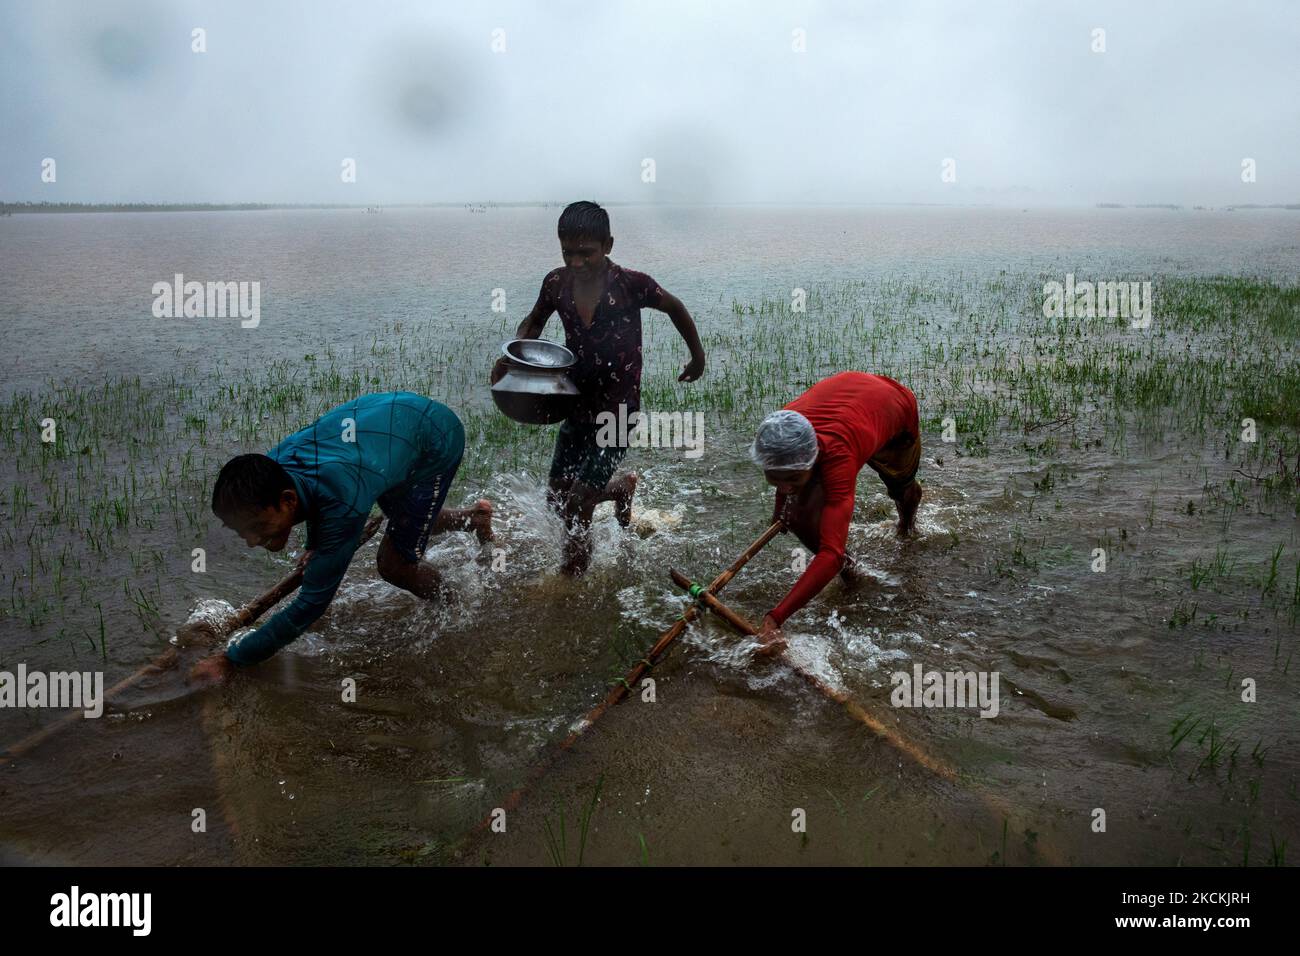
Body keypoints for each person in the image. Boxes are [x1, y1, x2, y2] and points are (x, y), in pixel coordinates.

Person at [191, 392, 492, 680]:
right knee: (405, 515)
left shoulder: (343, 501)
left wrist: (232, 659)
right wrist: (316, 544)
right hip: (385, 425)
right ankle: (474, 519)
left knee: (394, 564)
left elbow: (310, 605)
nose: (252, 541)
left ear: (287, 501)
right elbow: (313, 487)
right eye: (241, 531)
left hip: (433, 437)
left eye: (257, 527)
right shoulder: (270, 471)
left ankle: (456, 603)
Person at [496, 200, 706, 574]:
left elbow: (675, 307)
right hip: (574, 401)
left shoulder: (631, 285)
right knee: (557, 498)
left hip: (618, 412)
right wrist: (515, 355)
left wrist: (697, 357)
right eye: (567, 252)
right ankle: (620, 489)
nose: (576, 262)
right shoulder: (556, 283)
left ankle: (571, 581)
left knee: (578, 503)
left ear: (608, 245)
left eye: (586, 253)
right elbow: (534, 322)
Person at [750, 371, 923, 656]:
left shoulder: (837, 457)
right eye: (774, 479)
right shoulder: (780, 429)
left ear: (814, 459)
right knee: (798, 516)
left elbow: (830, 551)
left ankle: (907, 526)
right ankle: (851, 569)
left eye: (791, 480)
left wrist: (776, 617)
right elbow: (786, 471)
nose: (783, 487)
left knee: (900, 488)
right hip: (851, 399)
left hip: (894, 407)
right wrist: (782, 509)